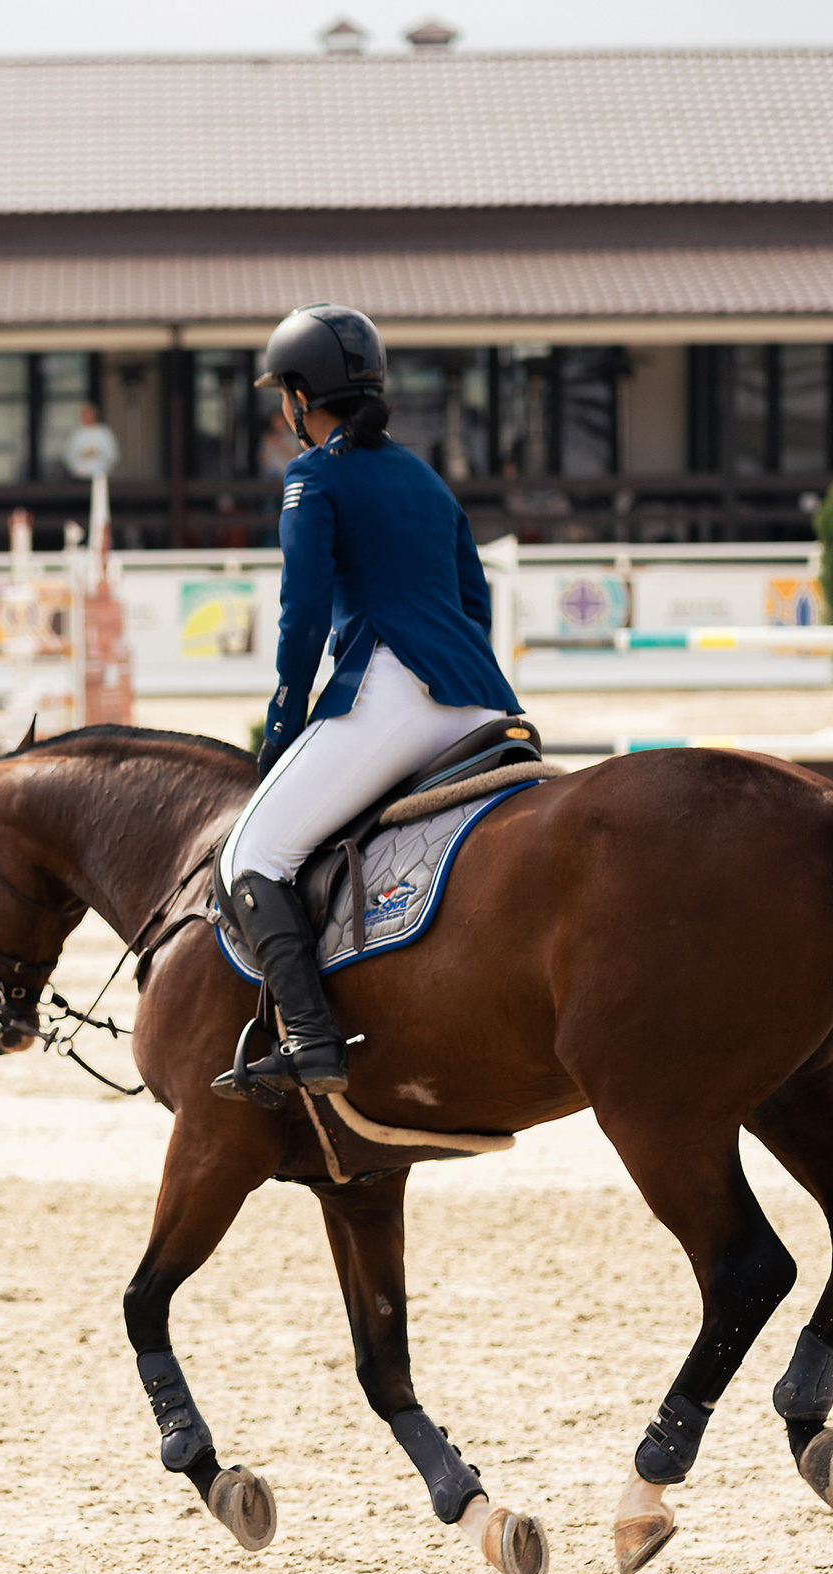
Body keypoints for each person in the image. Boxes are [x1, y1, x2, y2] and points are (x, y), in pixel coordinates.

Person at [211, 303, 523, 1102]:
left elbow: (304, 612)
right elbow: (471, 599)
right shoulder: (424, 476)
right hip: (482, 703)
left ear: (297, 397)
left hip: (393, 693)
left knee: (254, 852)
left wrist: (282, 726)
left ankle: (313, 1039)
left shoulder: (313, 474)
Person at [62, 402, 119, 480]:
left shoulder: (104, 432)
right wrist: (82, 455)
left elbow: (112, 453)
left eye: (90, 414)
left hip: (100, 475)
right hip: (79, 476)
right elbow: (68, 454)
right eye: (85, 414)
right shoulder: (76, 434)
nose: (87, 417)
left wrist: (97, 452)